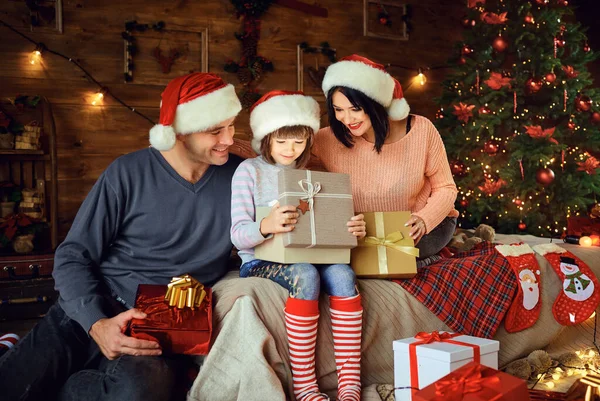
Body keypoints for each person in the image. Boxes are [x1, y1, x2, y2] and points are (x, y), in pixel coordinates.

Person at [0, 72, 243, 401]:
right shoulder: (127, 172)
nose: (230, 138)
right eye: (217, 130)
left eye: (231, 125)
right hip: (94, 304)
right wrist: (96, 322)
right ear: (181, 131)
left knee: (135, 392)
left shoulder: (242, 178)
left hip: (163, 325)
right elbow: (73, 255)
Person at [230, 90, 366, 401]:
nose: (290, 149)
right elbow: (237, 235)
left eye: (299, 141)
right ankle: (305, 386)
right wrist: (266, 226)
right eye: (281, 142)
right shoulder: (248, 172)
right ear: (266, 138)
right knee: (305, 274)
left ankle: (349, 383)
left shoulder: (312, 175)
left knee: (343, 275)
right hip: (259, 259)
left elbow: (326, 230)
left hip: (312, 254)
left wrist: (352, 230)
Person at [314, 54, 459, 265]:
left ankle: (426, 259)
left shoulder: (421, 130)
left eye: (355, 109)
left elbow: (446, 188)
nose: (347, 119)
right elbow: (279, 153)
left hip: (421, 225)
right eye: (338, 110)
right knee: (354, 260)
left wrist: (424, 219)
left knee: (393, 258)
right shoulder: (325, 139)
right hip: (363, 230)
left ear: (375, 104)